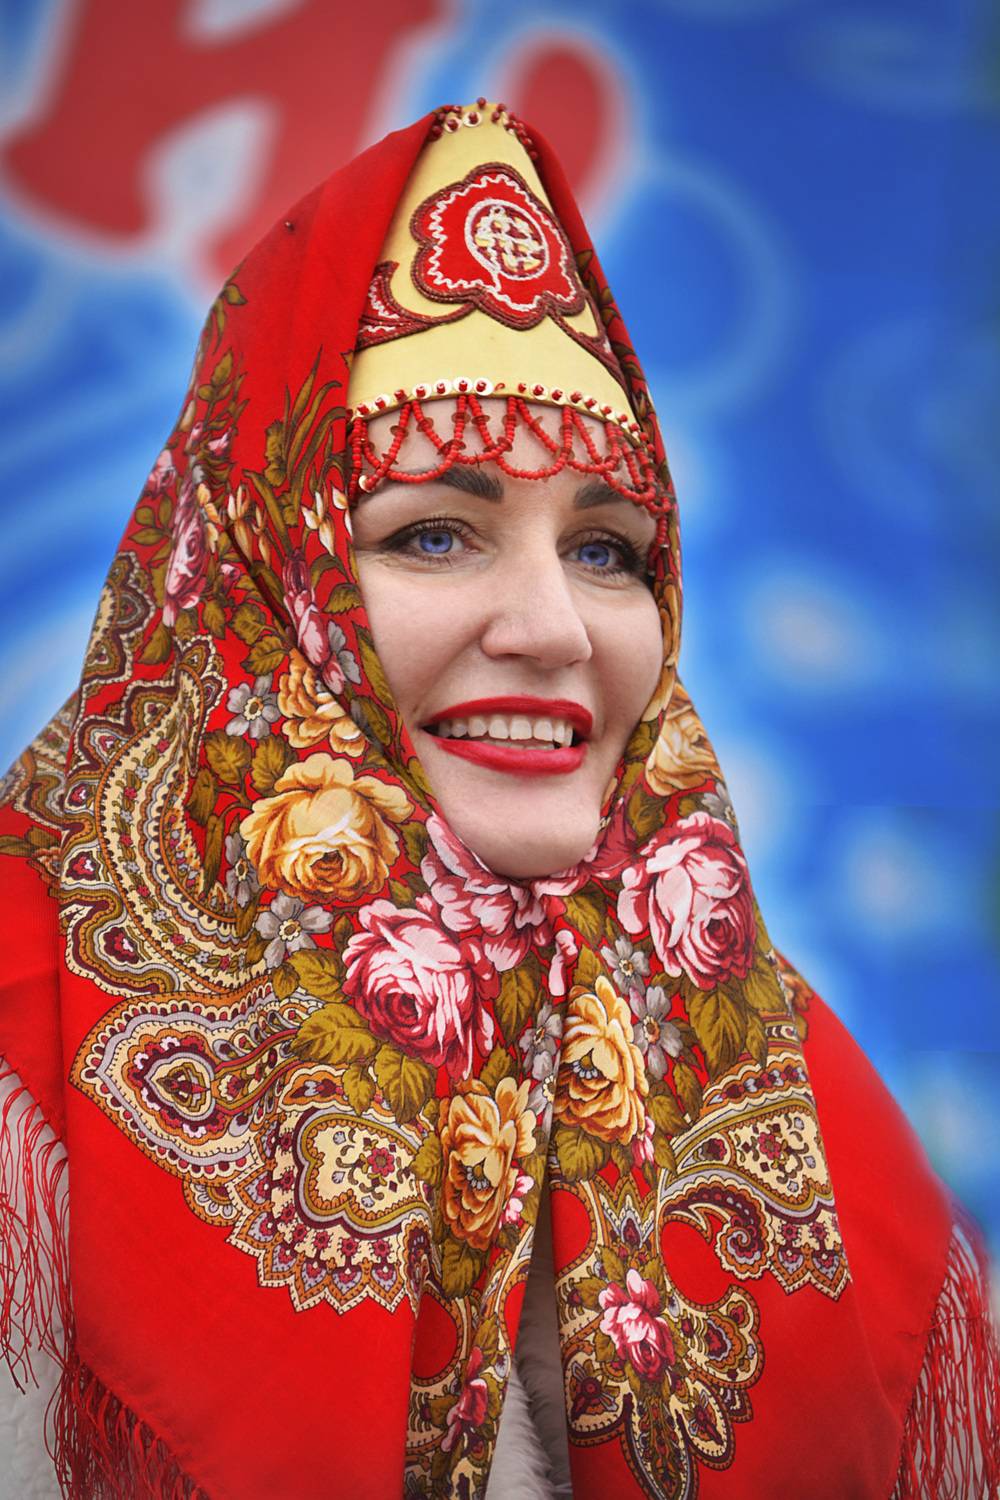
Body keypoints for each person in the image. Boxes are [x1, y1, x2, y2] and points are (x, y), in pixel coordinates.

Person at [0, 100, 997, 1500]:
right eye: (433, 534)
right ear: (252, 573)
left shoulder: (808, 1120)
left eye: (607, 550)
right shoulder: (26, 1077)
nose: (556, 628)